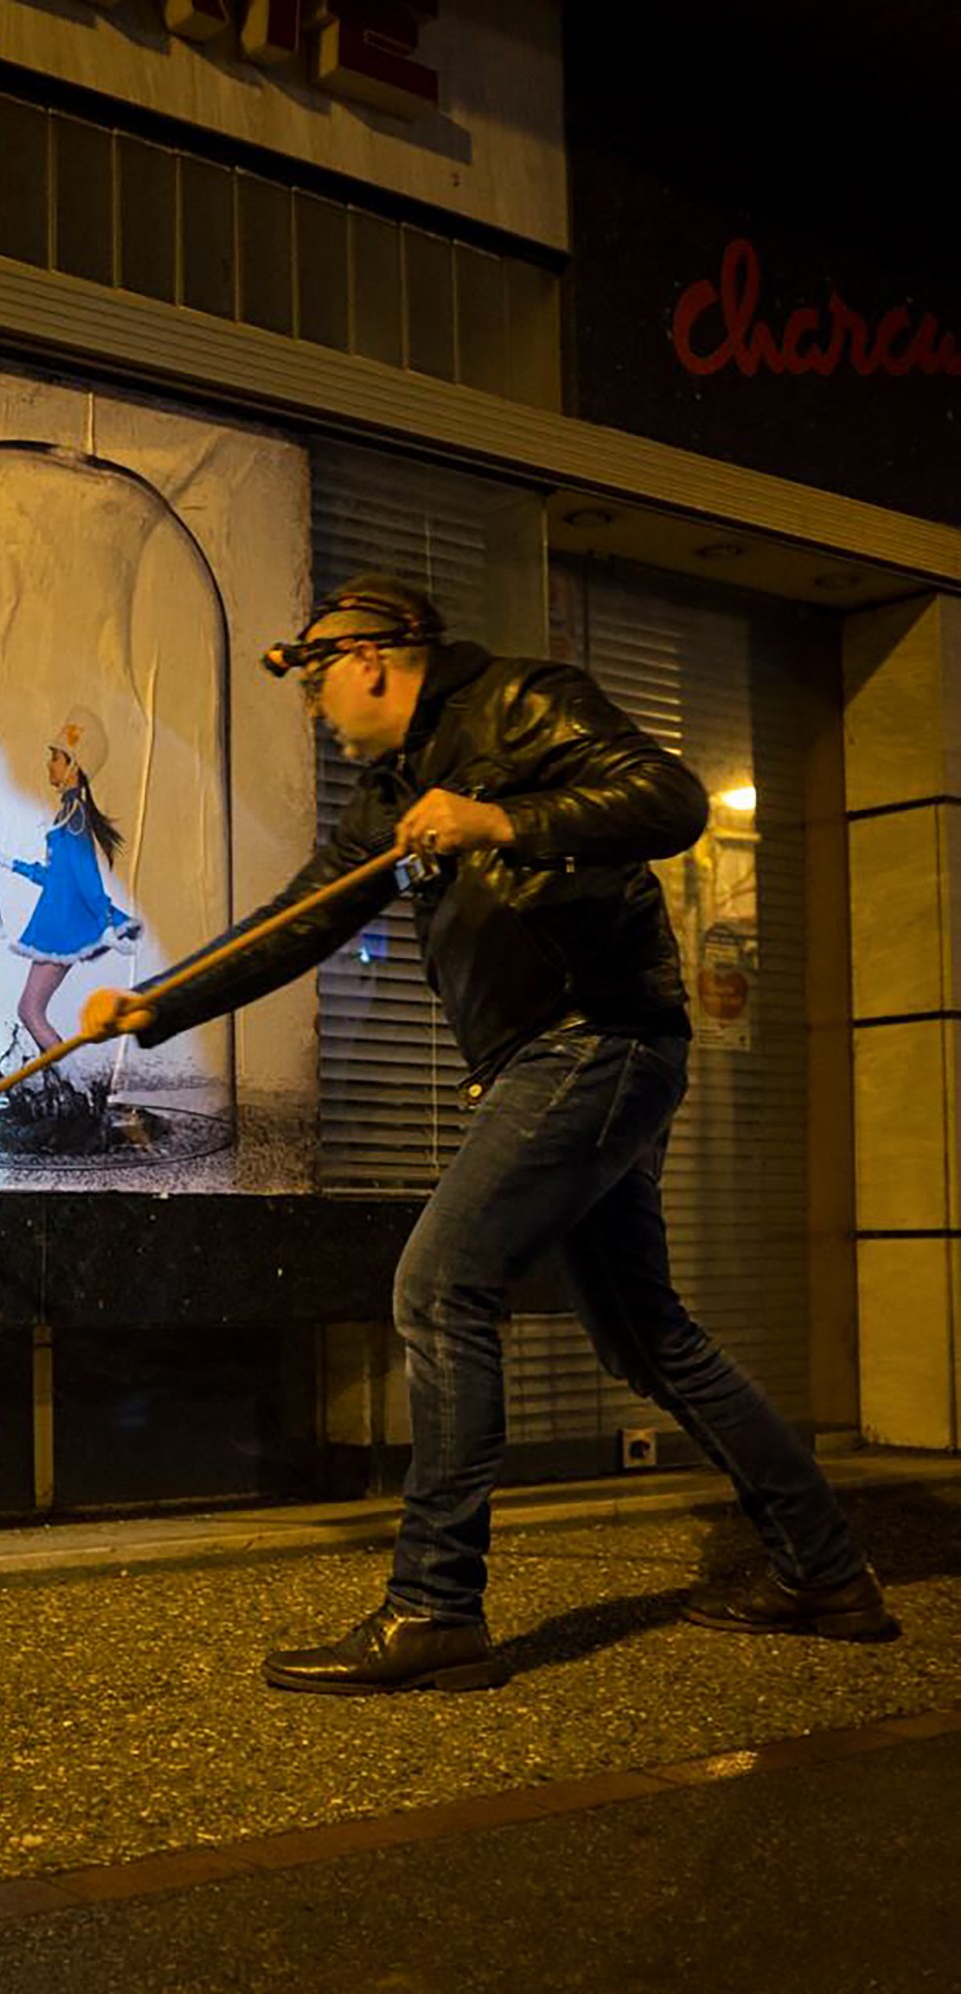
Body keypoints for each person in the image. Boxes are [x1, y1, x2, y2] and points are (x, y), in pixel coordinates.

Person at [82, 573, 894, 1694]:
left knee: (438, 1282)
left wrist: (501, 815)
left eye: (316, 682)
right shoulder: (393, 787)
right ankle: (828, 1573)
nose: (315, 709)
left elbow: (668, 800)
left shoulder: (522, 704)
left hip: (594, 1037)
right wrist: (156, 1001)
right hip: (554, 1055)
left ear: (368, 658)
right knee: (644, 1336)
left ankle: (436, 1608)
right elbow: (309, 914)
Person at [0, 720, 140, 1055]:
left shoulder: (74, 816)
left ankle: (68, 1085)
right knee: (30, 1010)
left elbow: (86, 876)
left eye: (56, 757)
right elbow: (56, 878)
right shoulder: (68, 812)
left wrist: (106, 925)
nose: (50, 763)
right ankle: (62, 1085)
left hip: (63, 930)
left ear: (73, 766)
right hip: (57, 925)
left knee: (29, 1010)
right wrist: (10, 863)